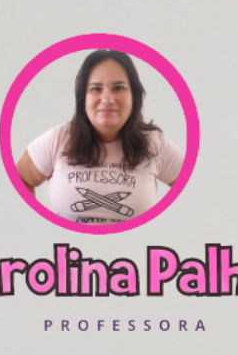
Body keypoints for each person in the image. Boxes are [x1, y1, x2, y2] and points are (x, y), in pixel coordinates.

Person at [16, 49, 183, 224]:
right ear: (83, 99)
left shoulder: (155, 145)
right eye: (96, 89)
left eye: (118, 88)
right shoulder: (58, 139)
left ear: (134, 97)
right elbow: (20, 179)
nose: (107, 99)